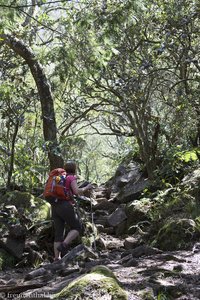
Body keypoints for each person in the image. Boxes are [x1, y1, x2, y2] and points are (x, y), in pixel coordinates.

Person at [51, 160, 92, 261]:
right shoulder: (71, 177)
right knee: (77, 227)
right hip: (65, 205)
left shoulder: (58, 178)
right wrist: (87, 187)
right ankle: (64, 245)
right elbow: (77, 191)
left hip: (55, 206)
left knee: (59, 233)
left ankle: (57, 258)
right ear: (74, 169)